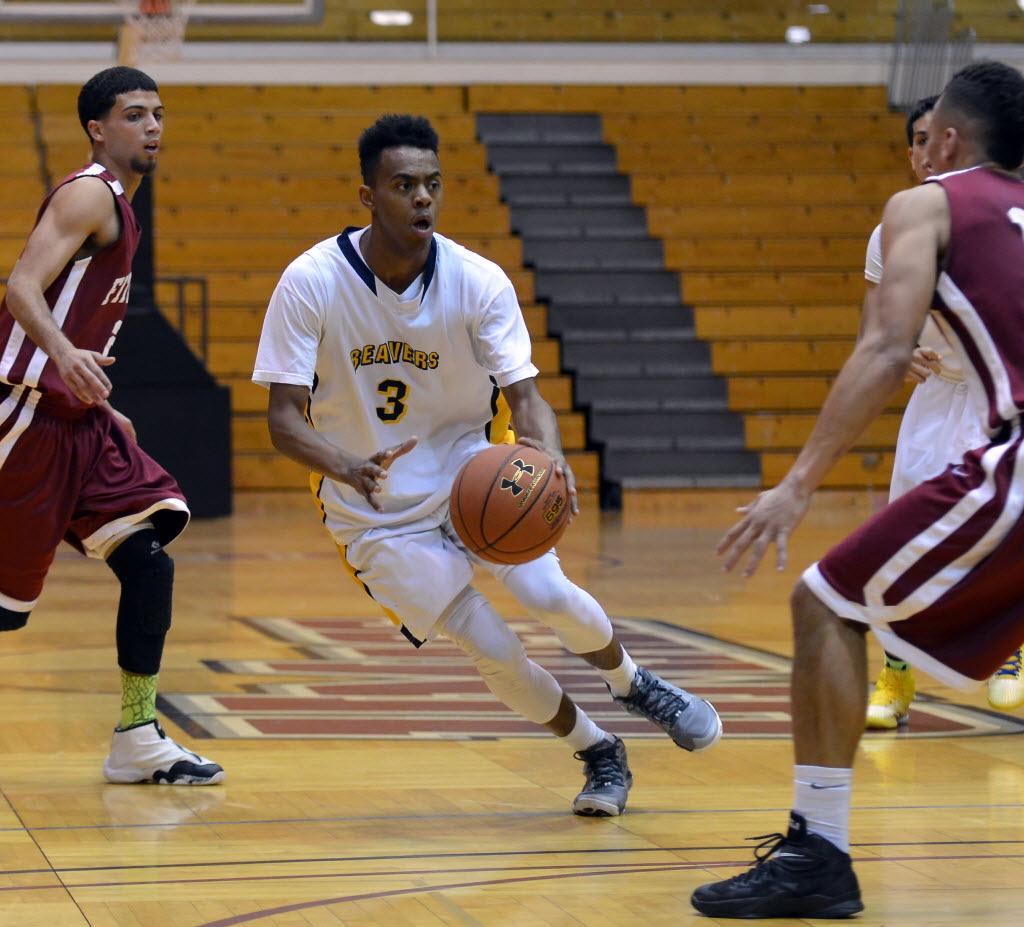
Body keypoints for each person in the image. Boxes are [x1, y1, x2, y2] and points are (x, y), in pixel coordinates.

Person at [253, 114, 721, 816]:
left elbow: (526, 398)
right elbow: (283, 419)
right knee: (492, 646)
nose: (422, 199)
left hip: (475, 475)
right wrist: (350, 466)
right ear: (367, 195)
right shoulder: (310, 282)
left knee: (549, 595)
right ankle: (599, 749)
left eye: (432, 184)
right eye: (403, 184)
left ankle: (633, 681)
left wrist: (551, 459)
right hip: (374, 509)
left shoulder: (478, 281)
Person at [693, 60, 1024, 918]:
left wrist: (798, 483)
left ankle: (820, 851)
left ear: (945, 139)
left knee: (823, 602)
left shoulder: (927, 203)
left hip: (1014, 451)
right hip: (988, 434)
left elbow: (882, 348)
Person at [0, 67, 223, 785]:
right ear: (99, 128)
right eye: (135, 114)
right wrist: (64, 357)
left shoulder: (123, 205)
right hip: (23, 413)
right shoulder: (90, 191)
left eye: (158, 113)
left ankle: (138, 734)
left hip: (77, 421)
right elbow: (21, 286)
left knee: (147, 560)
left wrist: (95, 397)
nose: (153, 126)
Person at [862, 97, 1024, 727]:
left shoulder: (1007, 219)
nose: (931, 150)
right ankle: (897, 670)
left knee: (1007, 535)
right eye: (919, 139)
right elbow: (876, 329)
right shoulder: (893, 229)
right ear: (912, 153)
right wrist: (898, 358)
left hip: (1001, 396)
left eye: (940, 138)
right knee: (906, 537)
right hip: (937, 399)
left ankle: (1008, 649)